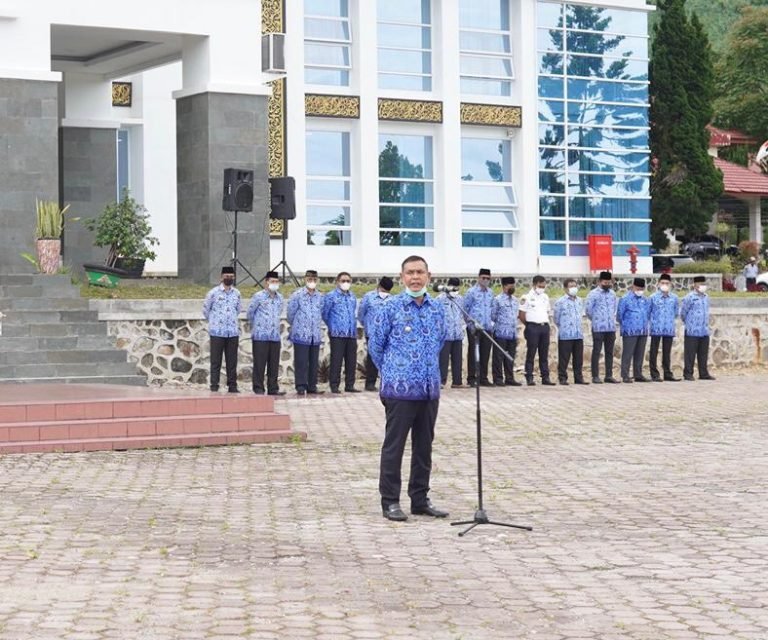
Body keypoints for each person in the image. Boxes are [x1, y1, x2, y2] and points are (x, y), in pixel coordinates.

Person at [369, 255, 448, 522]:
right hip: (399, 390)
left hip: (428, 389)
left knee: (424, 446)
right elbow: (376, 347)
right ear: (402, 277)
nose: (415, 277)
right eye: (410, 273)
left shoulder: (437, 309)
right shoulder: (389, 308)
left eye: (420, 272)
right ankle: (390, 501)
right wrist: (395, 371)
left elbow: (440, 342)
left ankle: (420, 498)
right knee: (395, 447)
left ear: (429, 275)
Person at [202, 265, 242, 393]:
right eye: (226, 277)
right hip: (217, 332)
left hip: (232, 332)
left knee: (232, 362)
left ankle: (232, 386)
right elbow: (205, 310)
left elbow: (238, 310)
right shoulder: (213, 293)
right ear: (221, 277)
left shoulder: (237, 293)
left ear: (234, 277)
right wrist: (214, 322)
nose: (229, 279)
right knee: (216, 361)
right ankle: (214, 385)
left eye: (231, 277)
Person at [247, 271, 285, 396]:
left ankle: (273, 388)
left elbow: (279, 312)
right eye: (272, 281)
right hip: (260, 335)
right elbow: (250, 313)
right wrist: (258, 326)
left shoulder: (280, 298)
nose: (274, 284)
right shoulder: (258, 296)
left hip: (274, 336)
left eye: (276, 281)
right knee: (260, 363)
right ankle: (258, 388)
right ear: (266, 282)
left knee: (273, 364)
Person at [287, 269, 324, 396]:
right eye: (309, 279)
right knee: (301, 361)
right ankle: (301, 386)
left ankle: (312, 386)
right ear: (305, 279)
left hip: (315, 334)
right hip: (301, 333)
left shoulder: (320, 296)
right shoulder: (297, 295)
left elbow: (322, 312)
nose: (312, 282)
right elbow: (290, 313)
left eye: (314, 279)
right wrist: (297, 325)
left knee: (314, 362)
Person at [322, 271, 359, 393]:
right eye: (343, 281)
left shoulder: (352, 296)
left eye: (348, 281)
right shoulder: (331, 296)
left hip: (351, 333)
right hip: (337, 333)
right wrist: (332, 326)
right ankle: (334, 385)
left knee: (351, 360)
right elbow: (325, 314)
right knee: (336, 360)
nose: (346, 283)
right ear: (337, 282)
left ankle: (350, 385)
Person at [358, 276, 394, 391]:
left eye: (387, 292)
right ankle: (370, 383)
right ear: (379, 286)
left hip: (388, 335)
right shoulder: (369, 297)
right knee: (372, 359)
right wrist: (368, 326)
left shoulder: (392, 299)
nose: (385, 293)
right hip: (372, 334)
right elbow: (361, 314)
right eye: (383, 291)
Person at [519, 275, 555, 386]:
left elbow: (547, 312)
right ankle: (529, 377)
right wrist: (529, 325)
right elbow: (521, 315)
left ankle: (545, 377)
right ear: (534, 285)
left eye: (544, 286)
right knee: (531, 353)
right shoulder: (526, 297)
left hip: (544, 326)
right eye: (540, 286)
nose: (542, 288)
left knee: (544, 354)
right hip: (532, 327)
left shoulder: (545, 297)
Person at [585, 270, 620, 384]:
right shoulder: (593, 294)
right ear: (600, 281)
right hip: (598, 327)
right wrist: (596, 320)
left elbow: (614, 308)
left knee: (609, 352)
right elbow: (588, 311)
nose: (607, 284)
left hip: (610, 328)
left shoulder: (612, 294)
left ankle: (608, 375)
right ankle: (595, 376)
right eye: (605, 282)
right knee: (597, 351)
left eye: (609, 282)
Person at [462, 268, 494, 387]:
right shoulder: (471, 292)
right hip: (474, 328)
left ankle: (483, 378)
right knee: (474, 353)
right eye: (483, 278)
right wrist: (470, 324)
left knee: (485, 354)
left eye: (487, 278)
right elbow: (465, 309)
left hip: (487, 328)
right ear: (478, 278)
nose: (485, 280)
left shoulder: (490, 293)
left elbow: (492, 308)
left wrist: (491, 324)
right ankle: (471, 378)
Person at [553, 278, 588, 385]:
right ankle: (562, 377)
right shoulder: (560, 302)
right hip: (566, 334)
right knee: (564, 358)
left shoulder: (579, 301)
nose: (573, 288)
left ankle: (578, 378)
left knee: (578, 359)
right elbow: (556, 318)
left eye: (575, 286)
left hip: (578, 334)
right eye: (570, 286)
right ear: (565, 288)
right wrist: (564, 327)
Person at [680, 275, 715, 381]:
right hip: (692, 330)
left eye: (704, 284)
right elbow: (683, 313)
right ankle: (688, 373)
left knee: (703, 353)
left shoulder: (706, 297)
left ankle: (703, 373)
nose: (702, 286)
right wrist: (689, 323)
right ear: (695, 285)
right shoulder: (689, 297)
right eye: (700, 284)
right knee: (690, 353)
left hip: (704, 330)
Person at [617, 277, 651, 383]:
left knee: (640, 353)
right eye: (638, 288)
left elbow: (648, 313)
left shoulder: (645, 300)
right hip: (629, 330)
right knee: (628, 353)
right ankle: (625, 375)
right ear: (633, 286)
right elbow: (619, 315)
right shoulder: (625, 299)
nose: (640, 290)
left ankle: (638, 374)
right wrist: (627, 324)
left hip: (642, 330)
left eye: (642, 288)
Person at [491, 276, 522, 387]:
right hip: (500, 332)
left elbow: (516, 316)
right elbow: (493, 316)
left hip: (512, 333)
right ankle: (498, 378)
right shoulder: (497, 300)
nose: (513, 287)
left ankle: (510, 378)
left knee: (510, 357)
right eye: (511, 285)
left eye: (514, 285)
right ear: (504, 286)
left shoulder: (515, 300)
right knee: (498, 357)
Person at [648, 273, 680, 382]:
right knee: (654, 351)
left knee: (667, 352)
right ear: (658, 284)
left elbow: (676, 312)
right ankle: (654, 374)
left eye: (667, 283)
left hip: (668, 328)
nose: (665, 285)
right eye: (662, 283)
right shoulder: (652, 297)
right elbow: (648, 312)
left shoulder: (674, 298)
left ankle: (667, 373)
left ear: (670, 284)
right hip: (656, 328)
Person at [437, 277, 465, 388]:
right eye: (453, 287)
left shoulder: (460, 299)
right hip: (445, 334)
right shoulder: (440, 299)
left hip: (457, 333)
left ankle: (457, 382)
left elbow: (462, 315)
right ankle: (441, 381)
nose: (455, 290)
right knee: (443, 360)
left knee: (457, 359)